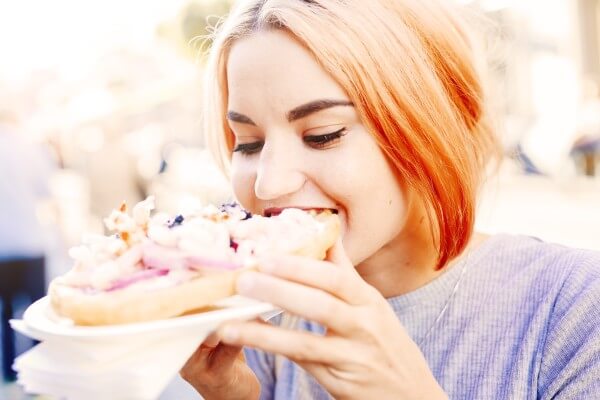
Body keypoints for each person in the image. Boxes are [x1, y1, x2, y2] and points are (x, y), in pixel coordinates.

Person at [180, 0, 600, 398]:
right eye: (249, 143)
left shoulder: (576, 310)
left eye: (322, 134)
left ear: (431, 125)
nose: (268, 185)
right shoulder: (263, 322)